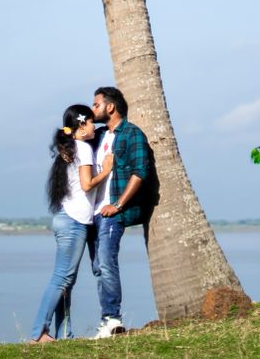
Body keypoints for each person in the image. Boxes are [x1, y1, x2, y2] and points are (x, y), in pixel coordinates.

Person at [29, 104, 114, 343]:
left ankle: (64, 334)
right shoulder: (83, 148)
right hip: (74, 221)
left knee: (66, 280)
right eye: (90, 123)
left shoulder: (70, 148)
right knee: (62, 278)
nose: (94, 127)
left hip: (67, 218)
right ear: (81, 125)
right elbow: (87, 185)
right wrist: (106, 170)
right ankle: (38, 334)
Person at [89, 86, 153, 339]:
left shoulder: (132, 134)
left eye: (96, 105)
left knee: (106, 262)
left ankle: (112, 319)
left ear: (110, 107)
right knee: (98, 267)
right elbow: (67, 133)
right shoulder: (99, 135)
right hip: (92, 212)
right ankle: (108, 320)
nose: (92, 109)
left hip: (112, 212)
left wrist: (118, 205)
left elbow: (140, 172)